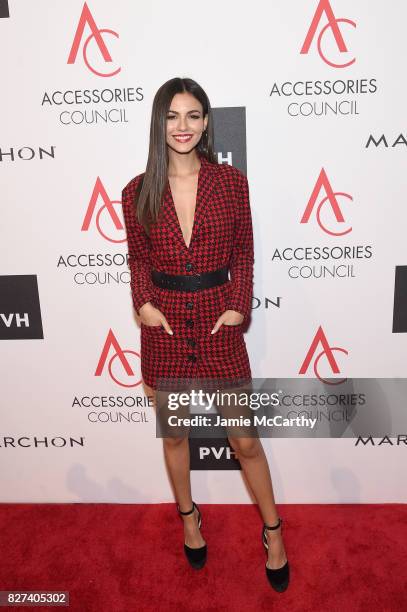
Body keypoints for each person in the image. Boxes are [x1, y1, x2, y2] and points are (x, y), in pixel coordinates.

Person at [121, 77, 290, 592]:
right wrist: (144, 305)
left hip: (219, 324)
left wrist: (240, 307)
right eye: (172, 116)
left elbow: (244, 252)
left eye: (193, 115)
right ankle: (189, 519)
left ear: (206, 122)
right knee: (175, 435)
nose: (183, 127)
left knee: (246, 441)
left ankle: (274, 531)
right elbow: (138, 259)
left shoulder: (231, 183)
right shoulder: (137, 190)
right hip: (165, 328)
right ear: (158, 123)